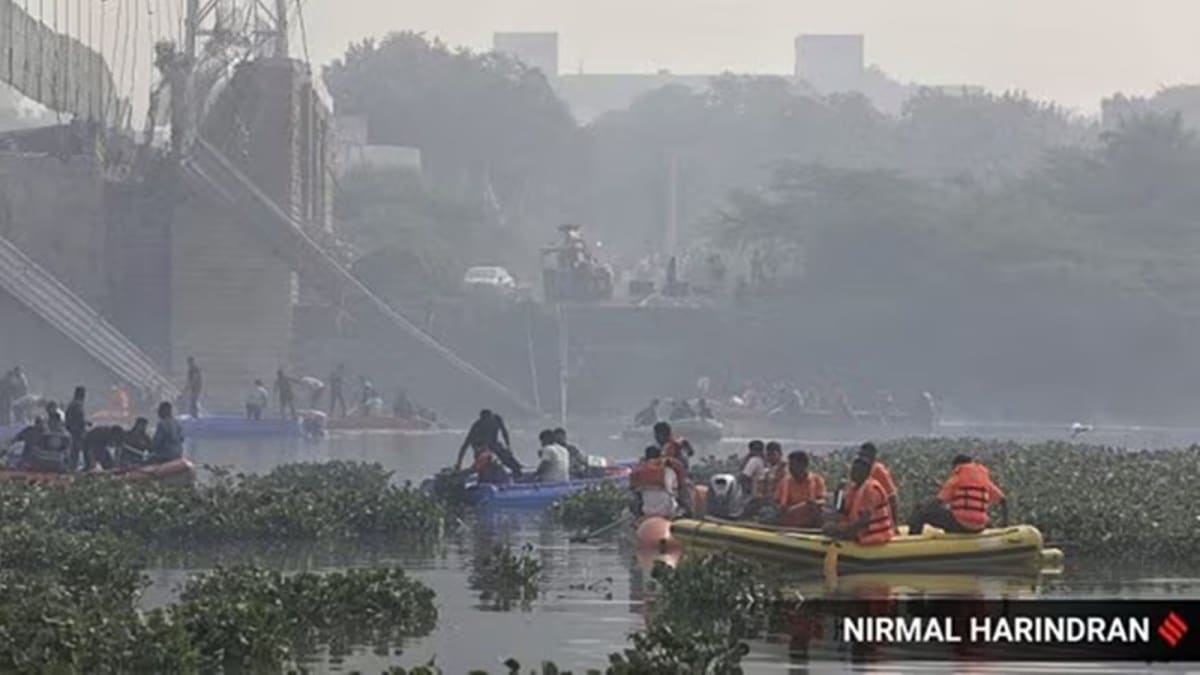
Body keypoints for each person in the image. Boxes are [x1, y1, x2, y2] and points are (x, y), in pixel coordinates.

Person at [908, 455, 1008, 535]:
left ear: (956, 466)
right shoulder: (984, 479)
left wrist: (922, 511)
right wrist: (1004, 525)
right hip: (980, 527)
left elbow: (938, 502)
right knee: (980, 517)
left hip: (960, 525)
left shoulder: (957, 478)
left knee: (921, 510)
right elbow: (1003, 500)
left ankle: (912, 540)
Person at [827, 457, 893, 545]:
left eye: (856, 470)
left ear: (866, 472)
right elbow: (844, 511)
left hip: (874, 534)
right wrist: (838, 494)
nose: (852, 473)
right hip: (860, 529)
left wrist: (842, 532)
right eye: (852, 470)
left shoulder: (871, 490)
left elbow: (864, 521)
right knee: (827, 523)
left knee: (832, 529)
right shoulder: (854, 488)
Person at [456, 410, 519, 475]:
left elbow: (504, 433)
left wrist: (508, 446)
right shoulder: (476, 426)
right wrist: (459, 463)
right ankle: (478, 473)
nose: (487, 422)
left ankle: (516, 470)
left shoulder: (497, 420)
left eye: (488, 419)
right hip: (480, 445)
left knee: (505, 456)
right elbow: (465, 446)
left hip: (493, 443)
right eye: (485, 420)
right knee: (483, 463)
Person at [775, 451, 827, 528]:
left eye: (793, 465)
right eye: (790, 465)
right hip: (788, 519)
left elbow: (823, 500)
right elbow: (777, 502)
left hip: (810, 519)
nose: (790, 468)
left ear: (804, 465)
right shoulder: (784, 482)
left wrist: (813, 503)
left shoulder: (817, 480)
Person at [630, 445, 681, 518]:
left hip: (646, 511)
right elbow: (674, 492)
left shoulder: (639, 472)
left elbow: (634, 493)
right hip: (667, 511)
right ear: (660, 456)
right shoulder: (668, 471)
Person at [858, 442, 900, 530]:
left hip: (878, 519)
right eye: (861, 456)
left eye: (866, 456)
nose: (863, 459)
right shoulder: (859, 471)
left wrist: (895, 525)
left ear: (873, 457)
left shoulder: (879, 471)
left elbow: (892, 498)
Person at [64, 386, 88, 471]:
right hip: (76, 431)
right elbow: (79, 419)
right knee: (76, 451)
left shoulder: (72, 404)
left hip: (71, 430)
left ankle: (71, 467)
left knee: (74, 450)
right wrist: (85, 424)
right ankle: (73, 468)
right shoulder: (77, 404)